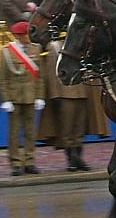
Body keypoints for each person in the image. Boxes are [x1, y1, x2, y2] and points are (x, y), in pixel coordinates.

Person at [0, 21, 45, 176]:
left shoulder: (36, 48)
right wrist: (6, 99)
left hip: (31, 96)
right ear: (18, 36)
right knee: (14, 132)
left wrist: (40, 96)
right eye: (25, 35)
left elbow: (40, 77)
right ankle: (15, 162)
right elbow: (3, 78)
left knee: (30, 132)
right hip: (14, 97)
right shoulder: (6, 51)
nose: (28, 37)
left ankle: (29, 161)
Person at [40, 37, 93, 171]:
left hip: (82, 92)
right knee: (67, 129)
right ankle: (72, 159)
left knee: (79, 128)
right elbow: (51, 73)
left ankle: (79, 157)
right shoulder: (54, 47)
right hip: (64, 93)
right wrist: (54, 94)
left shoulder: (81, 46)